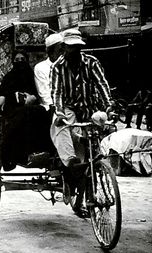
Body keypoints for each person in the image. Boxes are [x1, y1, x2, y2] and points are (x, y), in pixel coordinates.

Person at [49, 28, 113, 216]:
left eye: (78, 47)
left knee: (93, 153)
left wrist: (109, 106)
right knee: (60, 124)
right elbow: (57, 94)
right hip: (68, 108)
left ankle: (87, 195)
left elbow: (102, 85)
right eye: (71, 48)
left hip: (89, 108)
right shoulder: (57, 67)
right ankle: (70, 161)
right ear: (64, 48)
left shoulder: (91, 63)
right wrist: (59, 113)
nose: (75, 51)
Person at [0, 49, 53, 171]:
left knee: (42, 113)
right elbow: (2, 93)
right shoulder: (9, 77)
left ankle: (44, 151)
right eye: (17, 60)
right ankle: (16, 154)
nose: (20, 62)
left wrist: (32, 97)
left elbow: (38, 91)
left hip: (32, 106)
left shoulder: (32, 75)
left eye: (22, 60)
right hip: (12, 108)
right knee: (22, 116)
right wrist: (7, 97)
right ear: (13, 62)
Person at [34, 33, 64, 110]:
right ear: (51, 53)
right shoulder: (40, 68)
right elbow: (45, 97)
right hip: (50, 107)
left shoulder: (65, 64)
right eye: (60, 51)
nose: (63, 54)